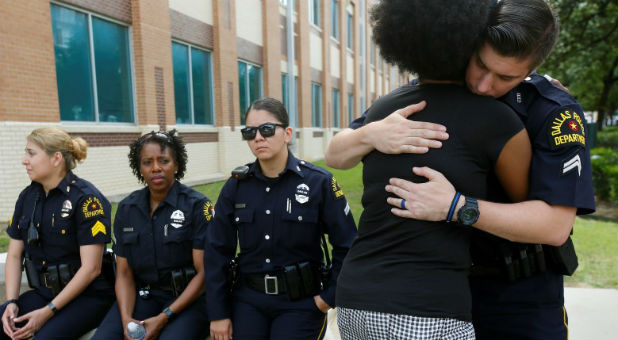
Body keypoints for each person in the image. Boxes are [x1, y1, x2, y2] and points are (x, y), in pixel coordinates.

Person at [325, 0, 595, 339]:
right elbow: (336, 154)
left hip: (519, 297)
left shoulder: (552, 111)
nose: (483, 85)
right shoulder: (428, 93)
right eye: (480, 64)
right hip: (443, 293)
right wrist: (370, 133)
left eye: (504, 77)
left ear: (531, 68)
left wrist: (456, 207)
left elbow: (555, 226)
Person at [205, 98, 358, 340]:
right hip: (248, 301)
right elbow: (216, 250)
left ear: (287, 133)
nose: (258, 137)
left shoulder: (318, 182)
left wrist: (327, 299)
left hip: (301, 302)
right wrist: (218, 313)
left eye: (266, 129)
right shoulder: (236, 186)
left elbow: (349, 244)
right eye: (249, 132)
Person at [91, 130, 212, 340]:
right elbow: (124, 274)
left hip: (188, 301)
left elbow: (204, 275)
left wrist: (164, 317)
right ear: (139, 168)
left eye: (164, 160)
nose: (156, 168)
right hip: (144, 297)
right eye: (148, 162)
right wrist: (126, 319)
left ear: (176, 164)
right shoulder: (127, 209)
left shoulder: (198, 206)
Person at [0, 127, 114, 339]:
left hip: (87, 297)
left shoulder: (87, 200)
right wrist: (11, 302)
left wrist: (46, 312)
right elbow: (15, 255)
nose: (24, 160)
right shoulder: (27, 197)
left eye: (31, 153)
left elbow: (91, 269)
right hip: (45, 294)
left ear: (56, 158)